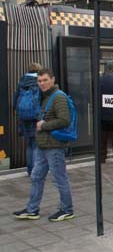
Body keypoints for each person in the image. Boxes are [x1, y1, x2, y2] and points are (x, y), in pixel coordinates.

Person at [13, 69, 75, 222]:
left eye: (45, 80)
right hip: (43, 145)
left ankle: (67, 209)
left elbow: (64, 120)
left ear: (52, 79)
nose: (42, 83)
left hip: (54, 146)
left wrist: (44, 125)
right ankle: (32, 209)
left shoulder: (58, 97)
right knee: (36, 176)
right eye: (40, 81)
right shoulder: (45, 96)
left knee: (59, 178)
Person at [13, 62, 43, 175]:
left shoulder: (22, 81)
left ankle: (30, 170)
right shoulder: (39, 82)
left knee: (30, 144)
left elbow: (15, 100)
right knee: (36, 145)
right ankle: (36, 171)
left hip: (24, 118)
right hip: (36, 117)